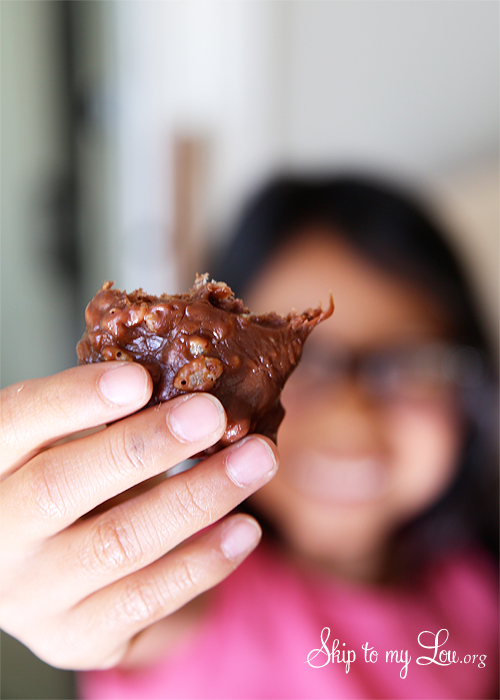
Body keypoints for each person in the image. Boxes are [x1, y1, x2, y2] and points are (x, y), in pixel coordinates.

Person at [0, 175, 497, 699]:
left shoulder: (473, 585)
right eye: (307, 363)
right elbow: (144, 617)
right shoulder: (203, 586)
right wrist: (71, 587)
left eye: (412, 365)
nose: (351, 415)